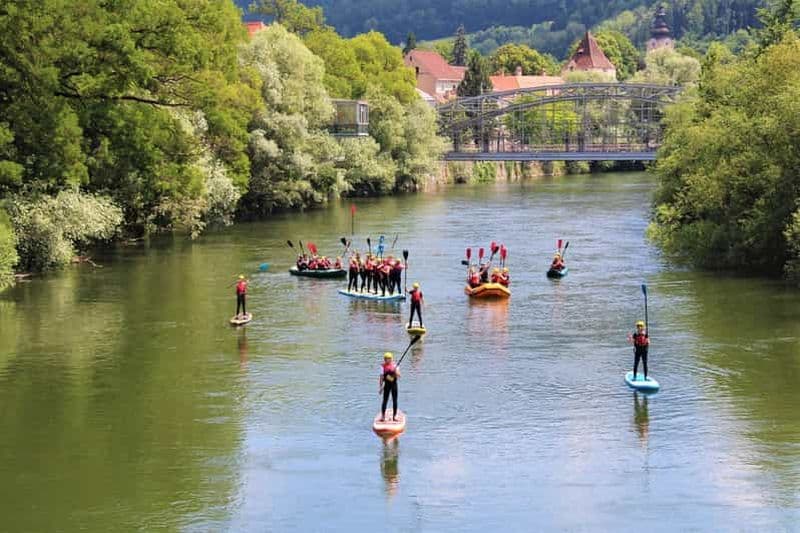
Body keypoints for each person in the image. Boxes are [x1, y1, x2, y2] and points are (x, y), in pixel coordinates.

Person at [379, 352, 400, 422]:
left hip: (394, 385)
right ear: (384, 359)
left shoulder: (395, 365)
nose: (387, 360)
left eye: (389, 359)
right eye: (386, 359)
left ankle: (394, 416)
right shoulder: (382, 366)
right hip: (387, 385)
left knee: (395, 400)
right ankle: (383, 416)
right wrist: (381, 387)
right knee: (385, 400)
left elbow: (399, 376)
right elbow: (381, 377)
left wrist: (394, 371)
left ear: (391, 359)